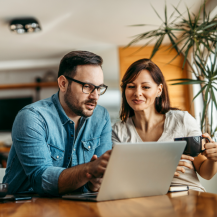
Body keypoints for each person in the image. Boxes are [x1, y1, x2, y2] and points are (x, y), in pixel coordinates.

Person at [3, 51, 112, 196]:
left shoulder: (101, 116)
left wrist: (96, 182)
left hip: (78, 204)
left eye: (99, 88)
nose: (95, 96)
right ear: (63, 83)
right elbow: (40, 179)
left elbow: (100, 178)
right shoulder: (32, 117)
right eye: (87, 86)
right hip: (25, 206)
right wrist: (88, 170)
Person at [112, 58, 217, 192]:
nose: (137, 93)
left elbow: (205, 173)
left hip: (188, 196)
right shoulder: (118, 132)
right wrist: (156, 168)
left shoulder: (182, 120)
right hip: (144, 200)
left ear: (159, 90)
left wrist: (213, 159)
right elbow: (119, 179)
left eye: (146, 87)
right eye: (131, 86)